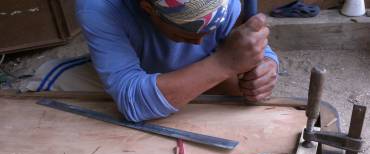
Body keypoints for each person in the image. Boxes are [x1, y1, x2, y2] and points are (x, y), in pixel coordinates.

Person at [76, 0, 279, 122]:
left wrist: (266, 65)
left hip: (205, 74)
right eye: (185, 36)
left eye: (209, 33)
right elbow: (133, 102)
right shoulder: (99, 7)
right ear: (148, 8)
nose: (199, 42)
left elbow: (246, 44)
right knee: (47, 83)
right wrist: (222, 64)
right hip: (141, 70)